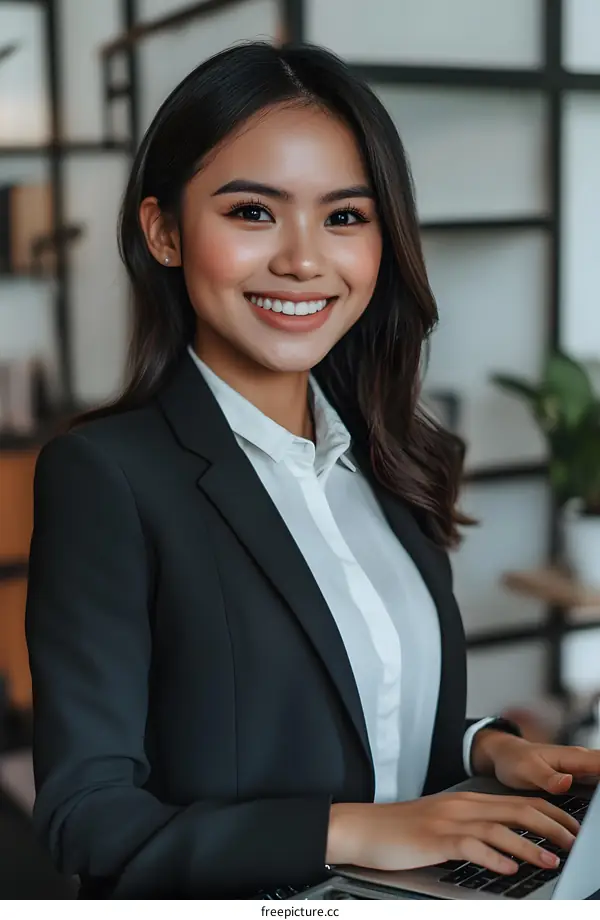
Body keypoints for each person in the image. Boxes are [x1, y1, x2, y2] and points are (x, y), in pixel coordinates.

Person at [25, 41, 600, 900]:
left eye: (345, 217)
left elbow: (352, 705)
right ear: (165, 232)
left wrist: (483, 747)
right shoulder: (106, 477)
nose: (303, 260)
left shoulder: (391, 454)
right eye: (253, 212)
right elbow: (89, 819)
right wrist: (355, 829)